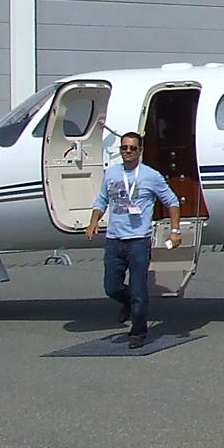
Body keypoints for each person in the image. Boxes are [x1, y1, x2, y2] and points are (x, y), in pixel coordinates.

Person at [84, 131, 181, 348]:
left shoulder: (150, 175)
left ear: (140, 151)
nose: (127, 152)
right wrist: (93, 222)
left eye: (132, 148)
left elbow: (172, 201)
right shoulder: (112, 174)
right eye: (124, 148)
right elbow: (101, 200)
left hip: (138, 240)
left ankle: (138, 332)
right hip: (114, 239)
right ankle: (126, 302)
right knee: (112, 287)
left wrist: (175, 231)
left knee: (139, 290)